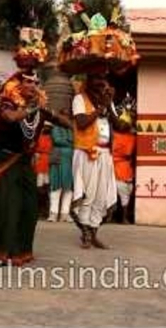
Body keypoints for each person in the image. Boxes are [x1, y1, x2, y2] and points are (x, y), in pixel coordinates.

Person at [0, 69, 71, 266]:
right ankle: (2, 253)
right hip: (5, 162)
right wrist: (32, 109)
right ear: (17, 85)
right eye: (29, 82)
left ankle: (21, 251)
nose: (33, 86)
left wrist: (59, 116)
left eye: (36, 83)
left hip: (24, 163)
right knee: (9, 206)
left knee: (30, 207)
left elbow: (64, 122)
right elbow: (10, 118)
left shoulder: (40, 109)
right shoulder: (7, 103)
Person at [70, 73, 119, 249]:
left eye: (105, 86)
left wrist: (110, 103)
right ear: (89, 84)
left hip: (105, 154)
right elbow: (81, 122)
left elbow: (120, 125)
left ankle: (94, 232)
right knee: (87, 195)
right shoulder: (79, 99)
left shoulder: (107, 101)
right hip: (86, 152)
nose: (102, 88)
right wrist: (99, 109)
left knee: (101, 196)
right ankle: (85, 234)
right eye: (99, 85)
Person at [112, 96, 137, 224]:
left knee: (128, 191)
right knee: (121, 192)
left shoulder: (132, 135)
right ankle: (121, 217)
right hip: (117, 166)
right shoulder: (114, 135)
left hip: (127, 167)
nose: (124, 125)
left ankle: (123, 216)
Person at [48, 108, 74, 223]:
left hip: (70, 160)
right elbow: (58, 140)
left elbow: (76, 140)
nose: (66, 119)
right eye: (64, 116)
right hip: (58, 158)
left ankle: (65, 213)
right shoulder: (55, 128)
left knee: (68, 188)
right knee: (56, 186)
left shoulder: (72, 130)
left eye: (68, 117)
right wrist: (70, 142)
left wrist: (70, 141)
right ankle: (53, 214)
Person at [34, 122, 52, 217]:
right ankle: (39, 209)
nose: (47, 129)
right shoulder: (39, 137)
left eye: (48, 127)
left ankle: (45, 209)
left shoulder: (52, 138)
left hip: (48, 165)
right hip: (40, 163)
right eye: (45, 127)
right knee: (39, 187)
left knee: (46, 187)